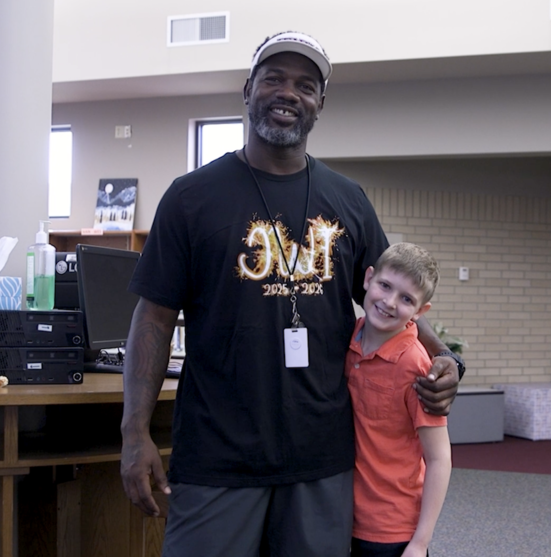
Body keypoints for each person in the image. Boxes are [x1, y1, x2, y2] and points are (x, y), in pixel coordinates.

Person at [119, 31, 465, 556]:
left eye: (305, 85)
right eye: (274, 78)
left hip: (322, 458)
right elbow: (153, 318)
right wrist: (133, 431)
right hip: (217, 455)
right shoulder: (191, 197)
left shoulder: (348, 199)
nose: (288, 93)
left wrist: (446, 360)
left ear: (320, 103)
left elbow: (398, 298)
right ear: (248, 89)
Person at [346, 242, 451, 557]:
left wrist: (419, 543)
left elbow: (439, 458)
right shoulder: (348, 339)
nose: (389, 302)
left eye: (407, 299)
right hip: (344, 516)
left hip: (392, 530)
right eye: (385, 286)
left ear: (420, 312)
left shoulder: (415, 364)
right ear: (368, 279)